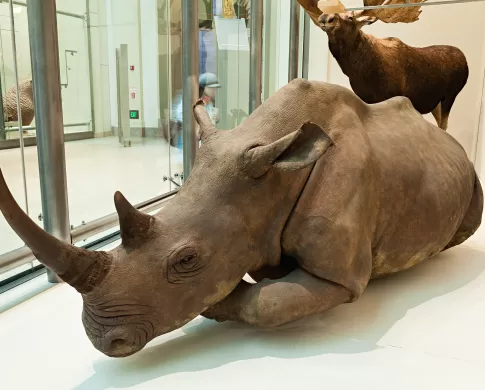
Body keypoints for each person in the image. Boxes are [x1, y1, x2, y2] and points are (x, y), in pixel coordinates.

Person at [170, 72, 221, 150]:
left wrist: (214, 118)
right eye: (211, 88)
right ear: (203, 87)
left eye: (215, 89)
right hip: (188, 139)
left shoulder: (210, 102)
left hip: (203, 141)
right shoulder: (191, 99)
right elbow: (180, 115)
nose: (214, 91)